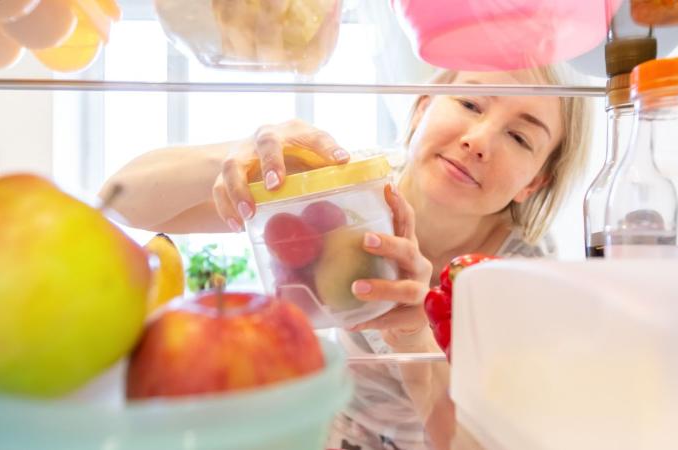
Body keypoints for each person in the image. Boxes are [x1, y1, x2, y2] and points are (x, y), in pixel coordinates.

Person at [101, 65, 592, 450]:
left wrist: (414, 334)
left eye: (521, 137)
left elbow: (470, 443)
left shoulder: (525, 274)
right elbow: (122, 199)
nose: (479, 141)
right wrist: (238, 158)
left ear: (535, 181)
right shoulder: (348, 192)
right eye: (469, 103)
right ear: (422, 108)